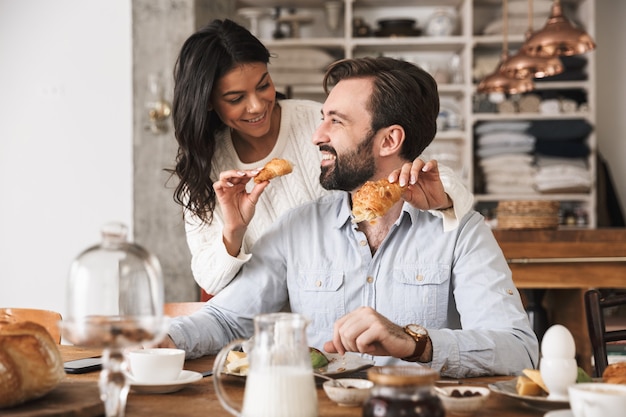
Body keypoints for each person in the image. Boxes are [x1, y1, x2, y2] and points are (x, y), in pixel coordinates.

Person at [162, 56, 538, 378]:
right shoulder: (298, 228)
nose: (316, 135)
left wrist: (414, 342)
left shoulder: (459, 231)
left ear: (389, 140)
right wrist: (162, 339)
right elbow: (227, 320)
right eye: (322, 117)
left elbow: (519, 350)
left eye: (335, 122)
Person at [169, 19, 474, 296]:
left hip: (341, 302)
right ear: (207, 102)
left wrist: (444, 198)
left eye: (264, 85)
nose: (257, 106)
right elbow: (209, 280)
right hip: (257, 320)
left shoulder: (318, 123)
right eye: (235, 98)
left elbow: (407, 164)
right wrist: (234, 231)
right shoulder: (205, 165)